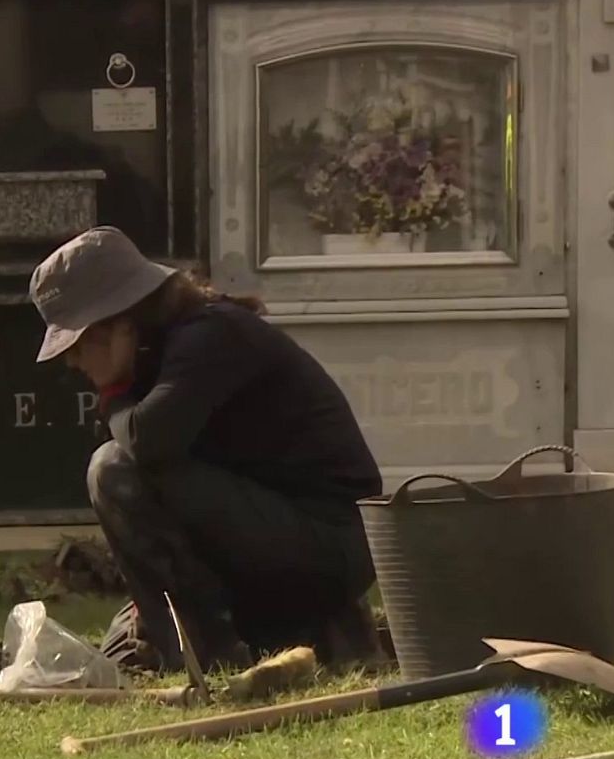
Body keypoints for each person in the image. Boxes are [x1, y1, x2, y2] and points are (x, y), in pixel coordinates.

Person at [30, 226, 384, 672]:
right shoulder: (161, 349)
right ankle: (316, 634)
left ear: (121, 322)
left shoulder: (212, 335)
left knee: (111, 468)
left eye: (79, 344)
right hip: (265, 537)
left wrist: (115, 393)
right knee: (123, 648)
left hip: (327, 544)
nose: (72, 362)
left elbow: (146, 442)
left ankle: (213, 657)